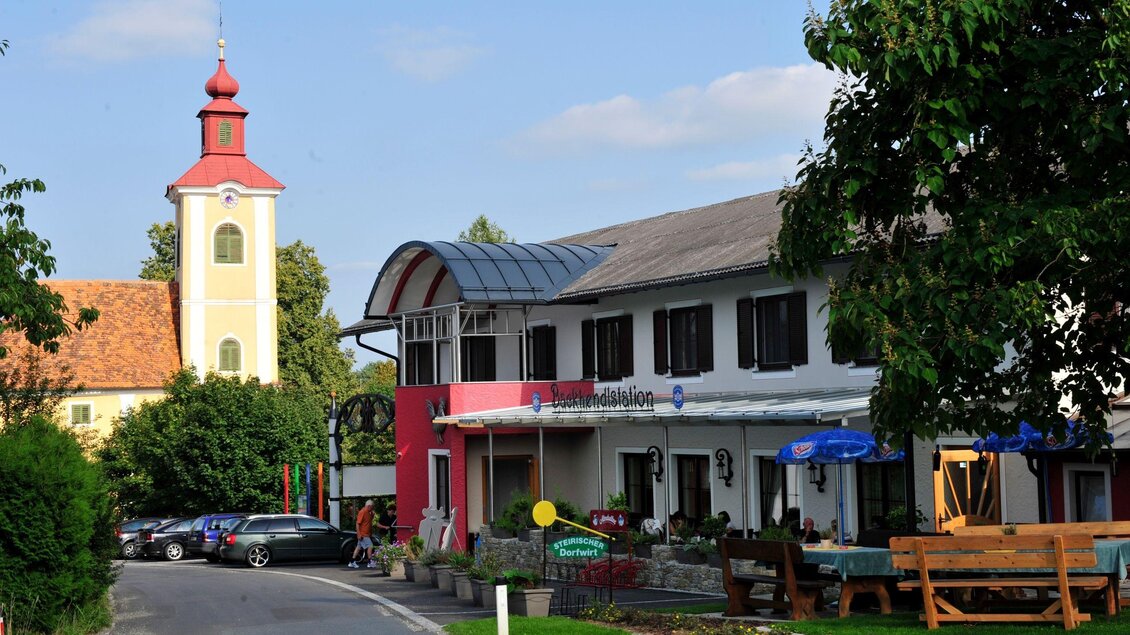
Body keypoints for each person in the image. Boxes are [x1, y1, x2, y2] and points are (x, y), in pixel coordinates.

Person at [349, 499, 376, 568]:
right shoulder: (363, 512)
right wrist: (359, 534)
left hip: (366, 534)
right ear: (369, 506)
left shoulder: (369, 512)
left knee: (358, 547)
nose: (373, 508)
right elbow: (357, 523)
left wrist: (372, 514)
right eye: (372, 507)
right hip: (363, 534)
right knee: (370, 546)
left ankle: (352, 561)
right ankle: (369, 562)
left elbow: (368, 521)